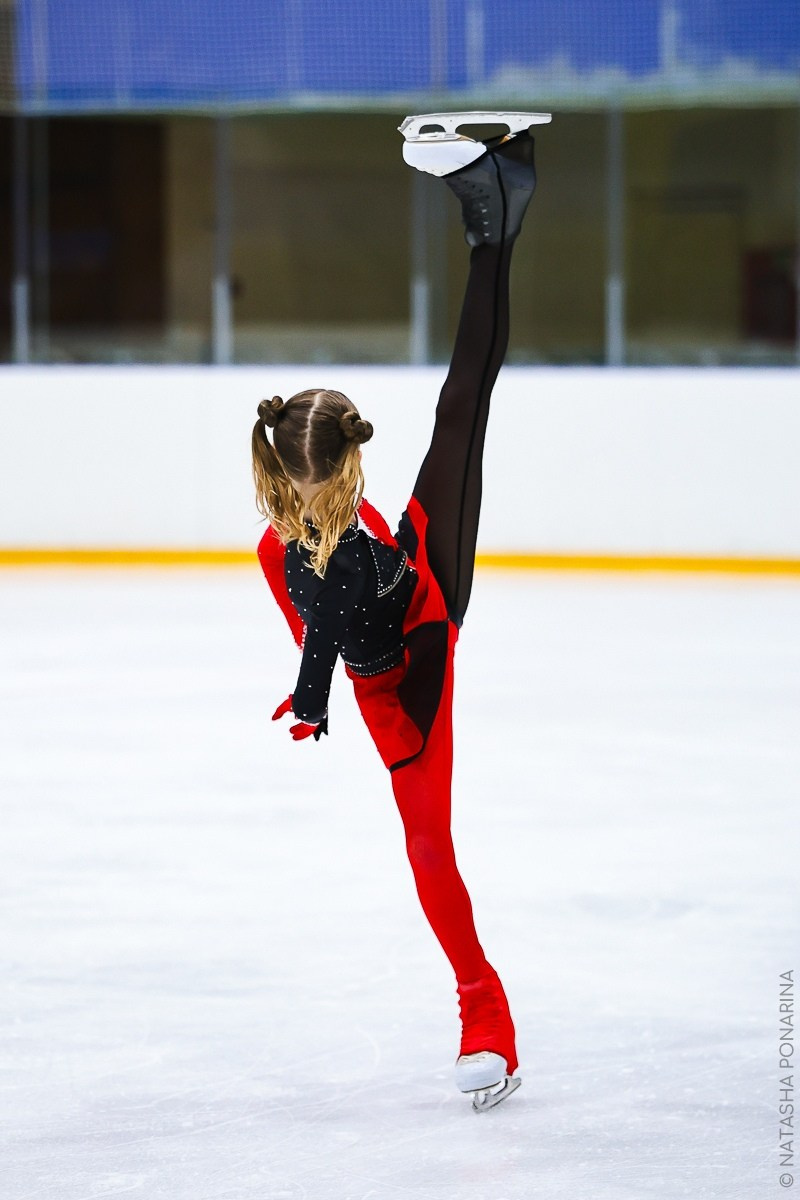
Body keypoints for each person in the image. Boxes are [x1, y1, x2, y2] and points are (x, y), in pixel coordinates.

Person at [252, 125, 537, 1110]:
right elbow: (322, 619)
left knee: (464, 404)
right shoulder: (277, 554)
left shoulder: (364, 517)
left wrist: (308, 688)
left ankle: (493, 212)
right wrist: (312, 692)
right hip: (400, 697)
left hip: (422, 593)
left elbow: (349, 586)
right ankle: (483, 1009)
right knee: (429, 851)